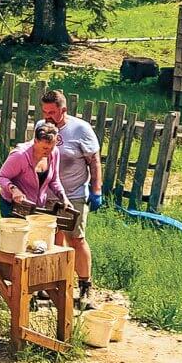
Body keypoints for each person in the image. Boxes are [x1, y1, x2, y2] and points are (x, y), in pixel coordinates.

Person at [41, 90, 104, 304]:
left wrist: (96, 190)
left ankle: (85, 285)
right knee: (52, 239)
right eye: (44, 112)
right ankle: (51, 284)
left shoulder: (80, 129)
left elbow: (94, 161)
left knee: (76, 239)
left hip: (74, 194)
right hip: (48, 195)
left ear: (63, 110)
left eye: (52, 112)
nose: (47, 116)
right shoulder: (42, 127)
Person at [0, 121, 71, 217]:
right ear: (35, 141)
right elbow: (1, 177)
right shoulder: (20, 156)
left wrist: (63, 197)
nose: (48, 151)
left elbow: (54, 180)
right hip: (12, 205)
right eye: (44, 148)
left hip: (36, 206)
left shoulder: (54, 153)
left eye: (51, 147)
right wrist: (14, 190)